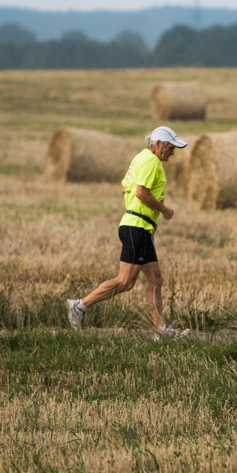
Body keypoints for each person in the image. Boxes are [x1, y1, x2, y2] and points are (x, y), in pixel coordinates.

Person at [66, 126, 191, 339]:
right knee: (125, 281)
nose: (172, 153)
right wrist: (164, 210)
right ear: (158, 144)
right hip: (137, 228)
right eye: (170, 148)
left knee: (156, 280)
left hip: (136, 226)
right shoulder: (152, 161)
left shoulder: (140, 158)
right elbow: (141, 193)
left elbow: (125, 187)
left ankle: (161, 330)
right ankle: (79, 306)